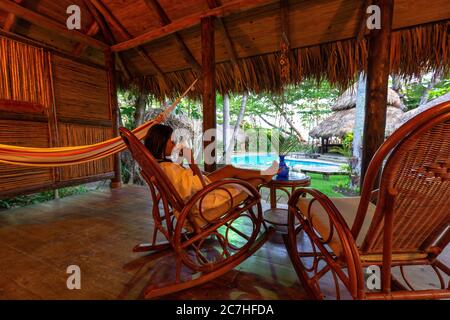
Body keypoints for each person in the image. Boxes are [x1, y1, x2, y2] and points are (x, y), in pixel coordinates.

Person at [144, 124, 278, 227]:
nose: (174, 144)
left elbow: (184, 183)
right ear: (160, 142)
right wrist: (191, 161)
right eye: (171, 141)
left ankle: (264, 174)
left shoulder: (162, 167)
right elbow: (198, 186)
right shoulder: (168, 168)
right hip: (201, 200)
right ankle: (265, 175)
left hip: (196, 197)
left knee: (231, 172)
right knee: (231, 171)